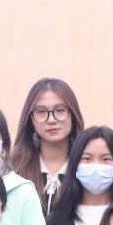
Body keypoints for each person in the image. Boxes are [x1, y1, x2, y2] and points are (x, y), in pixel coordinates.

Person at [11, 78, 87, 216]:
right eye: (41, 112)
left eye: (60, 110)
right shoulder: (13, 167)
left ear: (73, 115)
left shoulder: (87, 166)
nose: (51, 120)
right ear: (30, 119)